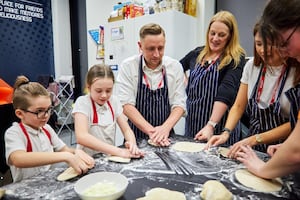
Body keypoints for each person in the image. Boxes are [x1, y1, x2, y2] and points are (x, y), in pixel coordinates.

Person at [206, 21, 300, 156]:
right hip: (252, 147)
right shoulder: (251, 66)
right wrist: (226, 132)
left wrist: (256, 139)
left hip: (282, 149)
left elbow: (295, 123)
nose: (262, 50)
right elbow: (238, 106)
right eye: (259, 44)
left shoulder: (295, 71)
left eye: (269, 44)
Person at [236, 0, 300, 179]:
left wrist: (262, 170)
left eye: (284, 43)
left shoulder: (295, 70)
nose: (285, 52)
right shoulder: (252, 67)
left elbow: (296, 149)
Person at [5, 76, 94, 183]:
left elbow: (64, 149)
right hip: (25, 189)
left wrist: (77, 152)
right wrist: (65, 156)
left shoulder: (46, 129)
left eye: (49, 109)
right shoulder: (14, 133)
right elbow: (18, 159)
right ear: (20, 114)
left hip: (47, 183)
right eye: (39, 111)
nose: (46, 115)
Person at [117, 23, 186, 146]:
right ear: (140, 46)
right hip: (135, 138)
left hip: (166, 136)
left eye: (160, 48)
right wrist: (153, 132)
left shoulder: (174, 67)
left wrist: (165, 128)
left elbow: (179, 104)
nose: (156, 54)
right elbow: (126, 105)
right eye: (151, 49)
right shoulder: (128, 66)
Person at [183, 11, 246, 143]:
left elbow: (226, 91)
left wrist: (211, 124)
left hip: (219, 129)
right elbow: (176, 68)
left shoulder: (235, 58)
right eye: (212, 33)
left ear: (230, 37)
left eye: (221, 35)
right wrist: (186, 83)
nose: (215, 38)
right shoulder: (197, 53)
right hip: (193, 124)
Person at [72, 64, 144, 158]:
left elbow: (126, 129)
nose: (104, 95)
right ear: (88, 87)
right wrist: (118, 151)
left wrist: (132, 143)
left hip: (108, 157)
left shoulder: (114, 102)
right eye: (98, 91)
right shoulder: (82, 103)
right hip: (87, 159)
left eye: (108, 90)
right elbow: (82, 136)